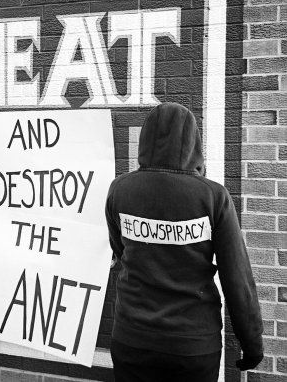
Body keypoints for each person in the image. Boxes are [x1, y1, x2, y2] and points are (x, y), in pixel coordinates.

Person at [105, 102, 263, 382]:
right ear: (193, 142)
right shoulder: (213, 197)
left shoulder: (120, 190)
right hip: (193, 345)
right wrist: (251, 343)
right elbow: (237, 277)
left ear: (145, 140)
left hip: (133, 338)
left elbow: (120, 249)